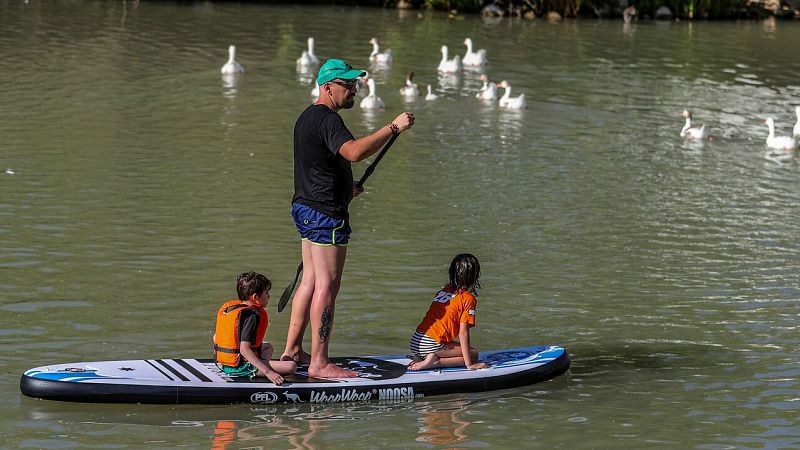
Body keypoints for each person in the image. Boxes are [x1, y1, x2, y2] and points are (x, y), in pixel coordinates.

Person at [281, 58, 415, 379]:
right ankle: (320, 363)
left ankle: (294, 351)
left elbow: (320, 163)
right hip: (326, 214)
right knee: (327, 286)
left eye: (355, 83)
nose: (353, 89)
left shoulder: (307, 118)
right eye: (347, 84)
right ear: (327, 87)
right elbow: (353, 151)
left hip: (306, 207)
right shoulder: (328, 120)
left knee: (311, 281)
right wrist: (392, 127)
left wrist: (346, 186)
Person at [213, 271, 297, 384]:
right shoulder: (251, 316)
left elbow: (215, 337)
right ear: (255, 297)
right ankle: (259, 369)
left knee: (268, 347)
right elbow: (244, 349)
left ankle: (260, 365)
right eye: (266, 293)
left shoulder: (233, 309)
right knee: (291, 366)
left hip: (225, 364)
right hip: (240, 367)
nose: (269, 296)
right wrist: (268, 372)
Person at [408, 253, 487, 371]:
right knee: (474, 354)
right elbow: (463, 333)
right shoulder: (468, 299)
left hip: (416, 341)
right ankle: (436, 361)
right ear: (474, 276)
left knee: (448, 344)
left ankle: (421, 357)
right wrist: (469, 364)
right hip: (431, 344)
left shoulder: (444, 291)